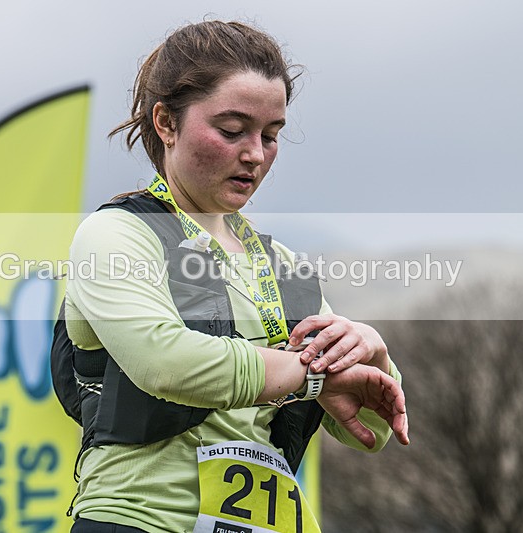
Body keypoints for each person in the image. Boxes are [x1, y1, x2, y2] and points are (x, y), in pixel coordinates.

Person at [63, 19, 409, 533]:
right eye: (231, 131)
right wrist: (312, 376)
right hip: (139, 521)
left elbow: (374, 431)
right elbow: (166, 364)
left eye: (271, 135)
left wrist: (373, 354)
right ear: (166, 123)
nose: (255, 154)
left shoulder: (283, 266)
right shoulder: (115, 235)